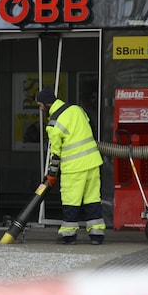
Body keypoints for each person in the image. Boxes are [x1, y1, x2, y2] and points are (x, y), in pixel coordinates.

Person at [36, 86, 106, 245]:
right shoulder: (76, 109)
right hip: (93, 162)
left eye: (40, 106)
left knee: (70, 200)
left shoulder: (53, 124)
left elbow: (56, 153)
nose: (40, 110)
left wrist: (51, 174)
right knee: (93, 199)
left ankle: (69, 235)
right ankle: (97, 235)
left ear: (47, 104)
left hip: (74, 167)